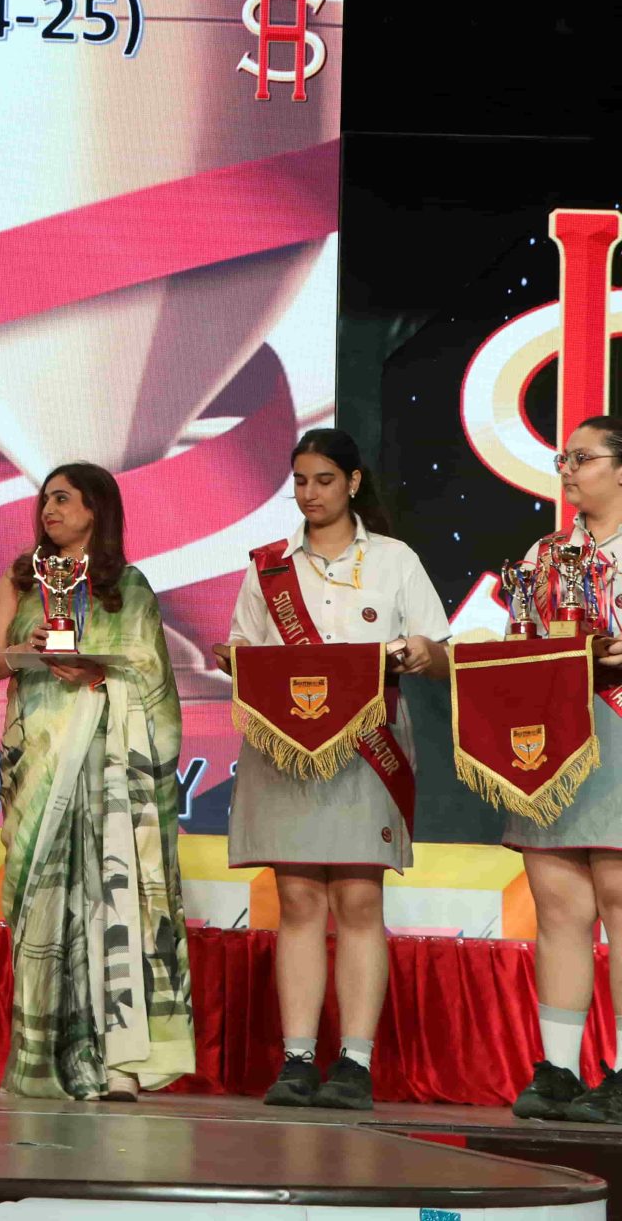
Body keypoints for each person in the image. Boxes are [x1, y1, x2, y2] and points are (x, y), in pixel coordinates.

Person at [213, 428, 448, 1112]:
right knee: (297, 902)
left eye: (323, 479)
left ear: (352, 482)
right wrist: (233, 659)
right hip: (285, 749)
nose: (310, 493)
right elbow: (240, 646)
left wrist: (417, 652)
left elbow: (442, 651)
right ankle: (296, 1059)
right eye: (300, 481)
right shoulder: (268, 567)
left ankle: (354, 1061)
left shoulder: (395, 560)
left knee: (359, 900)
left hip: (366, 750)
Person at [0, 462, 193, 1101]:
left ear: (96, 509)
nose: (50, 509)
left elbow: (151, 676)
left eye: (64, 499)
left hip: (109, 760)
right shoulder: (22, 578)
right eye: (45, 499)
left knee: (113, 898)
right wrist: (31, 650)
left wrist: (100, 674)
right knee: (42, 899)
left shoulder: (128, 586)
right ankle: (45, 1059)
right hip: (39, 758)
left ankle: (120, 1059)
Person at [503, 415, 622, 1124]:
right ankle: (558, 1069)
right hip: (554, 739)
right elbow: (519, 642)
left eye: (582, 458)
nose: (569, 470)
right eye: (564, 459)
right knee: (559, 905)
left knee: (619, 896)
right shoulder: (546, 555)